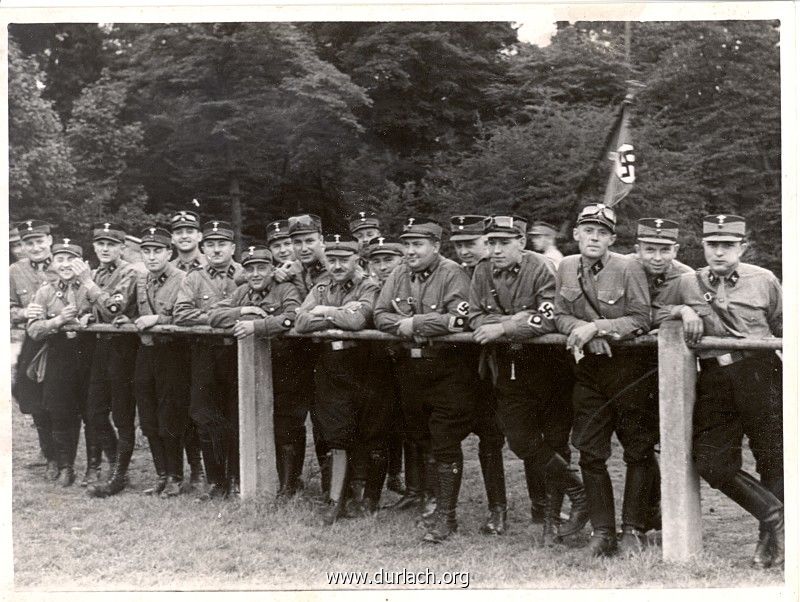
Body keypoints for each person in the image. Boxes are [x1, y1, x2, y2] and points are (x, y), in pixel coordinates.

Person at [469, 215, 588, 545]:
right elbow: (475, 317)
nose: (495, 249)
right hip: (510, 366)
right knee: (520, 440)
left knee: (555, 439)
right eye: (491, 242)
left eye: (503, 242)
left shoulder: (540, 267)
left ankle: (552, 520)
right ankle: (578, 490)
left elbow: (549, 315)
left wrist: (505, 327)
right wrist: (515, 320)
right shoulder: (481, 271)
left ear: (521, 242)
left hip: (551, 368)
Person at [677, 214, 784, 569]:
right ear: (703, 246)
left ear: (743, 247)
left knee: (772, 456)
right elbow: (657, 311)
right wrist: (682, 310)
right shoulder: (688, 282)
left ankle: (769, 543)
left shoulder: (763, 280)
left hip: (759, 371)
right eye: (713, 245)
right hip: (714, 376)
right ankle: (774, 515)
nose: (719, 253)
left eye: (728, 246)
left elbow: (784, 325)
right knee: (711, 461)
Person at [554, 203, 652, 557]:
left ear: (612, 238)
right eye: (588, 230)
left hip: (628, 370)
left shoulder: (628, 267)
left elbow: (642, 318)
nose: (594, 238)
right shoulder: (566, 266)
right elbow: (559, 314)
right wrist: (581, 329)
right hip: (590, 371)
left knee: (637, 450)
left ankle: (634, 529)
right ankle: (603, 532)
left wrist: (600, 327)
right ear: (577, 234)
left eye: (602, 232)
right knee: (590, 453)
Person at [374, 217, 475, 543]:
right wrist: (404, 325)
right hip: (411, 370)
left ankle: (447, 516)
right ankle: (431, 501)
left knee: (445, 439)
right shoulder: (399, 272)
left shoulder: (452, 273)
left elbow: (458, 318)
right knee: (421, 436)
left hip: (447, 368)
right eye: (407, 244)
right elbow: (379, 315)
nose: (410, 251)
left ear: (436, 246)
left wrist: (414, 323)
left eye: (418, 245)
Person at [295, 235, 385, 523]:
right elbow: (301, 321)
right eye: (331, 260)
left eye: (343, 260)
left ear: (356, 260)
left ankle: (367, 498)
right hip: (332, 366)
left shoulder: (368, 286)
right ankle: (335, 500)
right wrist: (336, 314)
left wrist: (323, 312)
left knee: (370, 432)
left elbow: (358, 321)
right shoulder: (321, 287)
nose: (336, 265)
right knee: (336, 432)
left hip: (365, 365)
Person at [209, 245, 305, 499]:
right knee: (246, 421)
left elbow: (292, 317)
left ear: (272, 270)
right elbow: (214, 315)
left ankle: (288, 484)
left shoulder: (286, 289)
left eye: (261, 268)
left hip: (285, 364)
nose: (255, 274)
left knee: (285, 424)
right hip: (251, 367)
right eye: (250, 269)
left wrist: (258, 326)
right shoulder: (241, 292)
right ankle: (251, 478)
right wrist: (243, 311)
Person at [629, 217, 696, 537]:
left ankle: (663, 515)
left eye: (664, 250)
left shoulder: (687, 278)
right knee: (638, 443)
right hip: (630, 367)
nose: (657, 257)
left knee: (668, 441)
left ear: (676, 250)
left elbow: (702, 314)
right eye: (650, 249)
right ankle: (649, 512)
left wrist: (682, 312)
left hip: (672, 370)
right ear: (637, 249)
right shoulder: (623, 269)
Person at [111, 226, 189, 497]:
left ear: (169, 252)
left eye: (158, 251)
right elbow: (130, 309)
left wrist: (159, 320)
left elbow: (187, 315)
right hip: (145, 354)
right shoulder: (140, 279)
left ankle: (176, 477)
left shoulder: (183, 278)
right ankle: (161, 474)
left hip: (172, 355)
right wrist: (126, 319)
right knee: (148, 419)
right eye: (147, 251)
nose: (152, 256)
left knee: (169, 417)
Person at [174, 220, 243, 498]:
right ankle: (216, 480)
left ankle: (238, 476)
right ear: (203, 248)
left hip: (240, 351)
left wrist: (221, 317)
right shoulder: (193, 278)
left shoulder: (246, 273)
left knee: (237, 415)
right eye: (211, 245)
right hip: (205, 352)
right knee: (205, 415)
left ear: (233, 247)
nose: (216, 250)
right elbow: (182, 314)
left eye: (222, 244)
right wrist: (221, 316)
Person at [449, 214, 508, 535]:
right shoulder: (454, 274)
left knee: (492, 437)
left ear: (487, 242)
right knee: (448, 434)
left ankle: (498, 509)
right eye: (458, 245)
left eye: (470, 244)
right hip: (459, 366)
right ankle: (439, 503)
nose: (464, 251)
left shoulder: (500, 272)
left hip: (495, 365)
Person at [78, 222, 141, 497]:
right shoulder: (96, 272)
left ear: (122, 248)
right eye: (100, 244)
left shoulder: (129, 272)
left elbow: (115, 307)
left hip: (124, 348)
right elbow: (94, 308)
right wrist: (88, 315)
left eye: (111, 244)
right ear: (94, 246)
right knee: (93, 411)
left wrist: (90, 287)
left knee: (123, 414)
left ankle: (118, 475)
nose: (105, 249)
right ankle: (117, 463)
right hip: (101, 347)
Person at [26, 239, 94, 486]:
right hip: (58, 356)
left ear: (82, 263)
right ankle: (66, 467)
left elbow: (107, 310)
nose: (66, 265)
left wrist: (89, 319)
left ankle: (94, 469)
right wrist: (56, 322)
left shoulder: (90, 286)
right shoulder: (45, 291)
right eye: (60, 259)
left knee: (91, 412)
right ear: (53, 262)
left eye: (72, 259)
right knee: (60, 412)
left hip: (89, 356)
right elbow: (33, 330)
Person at [363, 236, 410, 503]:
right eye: (377, 261)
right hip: (375, 363)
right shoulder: (368, 287)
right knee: (376, 425)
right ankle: (371, 492)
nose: (382, 267)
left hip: (406, 360)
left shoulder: (409, 283)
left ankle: (414, 487)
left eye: (388, 260)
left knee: (410, 426)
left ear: (401, 260)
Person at [10, 221, 59, 475]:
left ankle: (69, 453)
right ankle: (50, 454)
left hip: (64, 339)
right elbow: (6, 309)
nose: (36, 247)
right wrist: (22, 312)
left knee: (64, 395)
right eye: (29, 243)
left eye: (40, 241)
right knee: (26, 390)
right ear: (22, 246)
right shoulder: (14, 271)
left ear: (50, 241)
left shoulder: (65, 261)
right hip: (34, 339)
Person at [169, 209, 208, 493]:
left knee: (207, 411)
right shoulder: (165, 269)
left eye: (190, 231)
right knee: (182, 410)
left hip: (208, 347)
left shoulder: (214, 264)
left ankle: (215, 469)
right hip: (178, 348)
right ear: (172, 238)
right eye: (179, 231)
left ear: (199, 236)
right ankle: (195, 468)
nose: (184, 236)